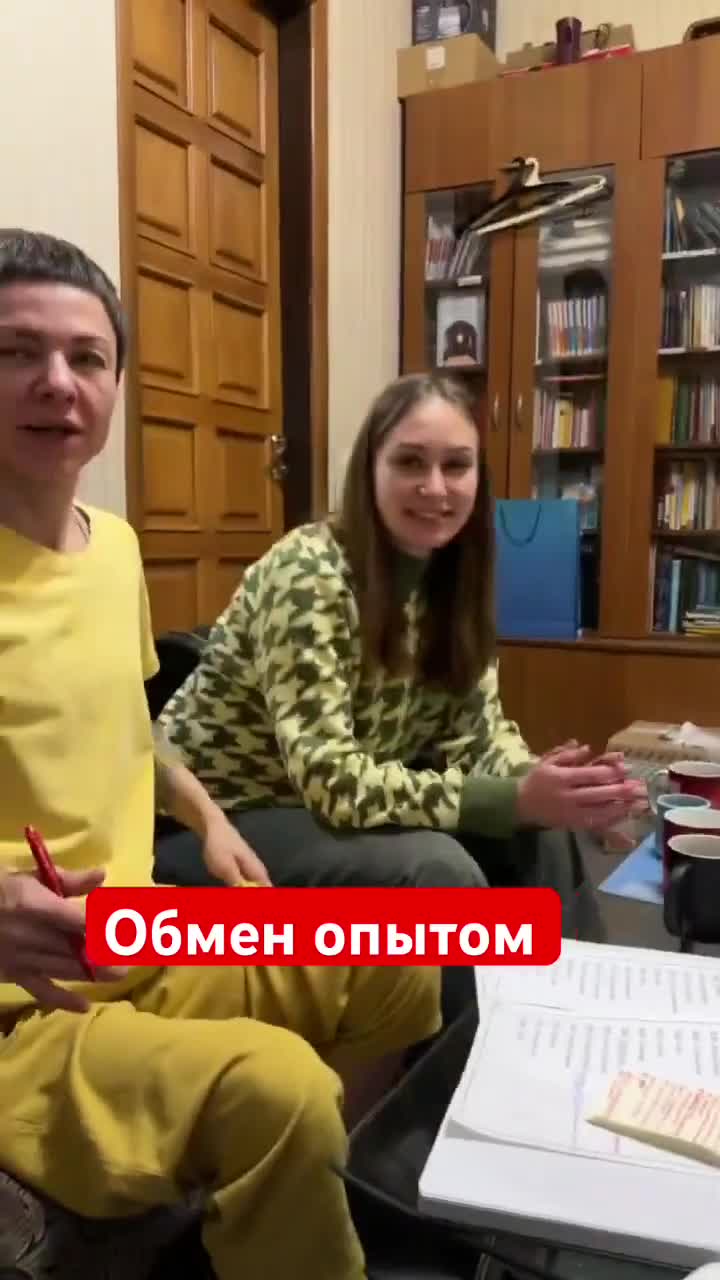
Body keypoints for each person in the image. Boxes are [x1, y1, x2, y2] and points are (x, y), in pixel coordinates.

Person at [0, 228, 440, 1280]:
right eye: (16, 351)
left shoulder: (115, 547)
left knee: (402, 950)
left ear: (115, 386)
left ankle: (288, 1213)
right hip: (27, 1001)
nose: (57, 382)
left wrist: (207, 818)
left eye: (87, 357)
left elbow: (127, 723)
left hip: (145, 935)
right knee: (279, 1088)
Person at [156, 372, 645, 968]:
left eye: (456, 465)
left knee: (543, 833)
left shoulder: (455, 579)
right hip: (211, 820)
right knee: (438, 872)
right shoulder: (308, 574)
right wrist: (514, 797)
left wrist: (562, 794)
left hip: (315, 812)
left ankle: (576, 1003)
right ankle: (468, 1027)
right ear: (370, 471)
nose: (434, 488)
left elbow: (478, 735)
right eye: (410, 462)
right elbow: (332, 783)